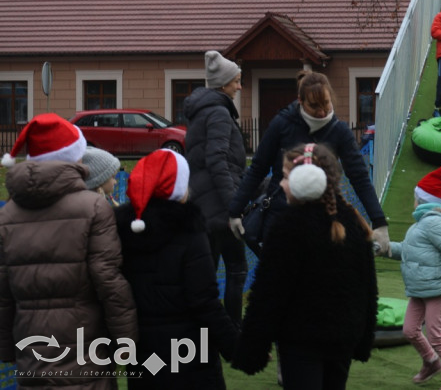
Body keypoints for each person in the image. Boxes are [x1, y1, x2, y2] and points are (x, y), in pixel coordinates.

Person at [0, 114, 138, 387]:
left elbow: (3, 289)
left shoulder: (7, 215)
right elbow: (107, 278)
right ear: (74, 157)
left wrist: (5, 347)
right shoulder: (94, 207)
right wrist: (126, 339)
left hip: (31, 349)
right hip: (85, 345)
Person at [233, 143, 378, 389]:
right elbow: (368, 287)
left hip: (300, 341)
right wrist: (363, 338)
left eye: (286, 177)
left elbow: (268, 293)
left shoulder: (287, 227)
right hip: (342, 338)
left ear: (304, 179)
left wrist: (253, 347)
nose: (281, 184)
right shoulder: (352, 221)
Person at [229, 71, 390, 255]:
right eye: (314, 106)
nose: (321, 111)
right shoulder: (281, 125)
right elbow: (257, 169)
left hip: (323, 222)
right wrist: (235, 211)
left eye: (326, 103)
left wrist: (379, 221)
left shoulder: (340, 131)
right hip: (281, 219)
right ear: (300, 101)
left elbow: (359, 177)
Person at [116, 148, 239, 389]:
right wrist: (236, 347)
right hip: (190, 353)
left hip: (144, 349)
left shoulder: (122, 231)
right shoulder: (190, 232)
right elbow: (205, 302)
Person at [383, 164, 441, 390]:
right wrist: (383, 248)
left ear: (422, 200)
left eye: (415, 197)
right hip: (419, 288)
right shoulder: (420, 226)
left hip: (436, 287)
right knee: (410, 330)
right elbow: (407, 250)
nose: (413, 201)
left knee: (435, 335)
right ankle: (432, 362)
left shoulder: (432, 223)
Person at [182, 49, 248, 327]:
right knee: (237, 268)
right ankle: (231, 329)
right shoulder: (220, 113)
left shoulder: (201, 112)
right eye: (237, 81)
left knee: (208, 272)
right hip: (220, 205)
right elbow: (218, 161)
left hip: (202, 202)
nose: (239, 87)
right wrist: (234, 206)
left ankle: (206, 329)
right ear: (223, 84)